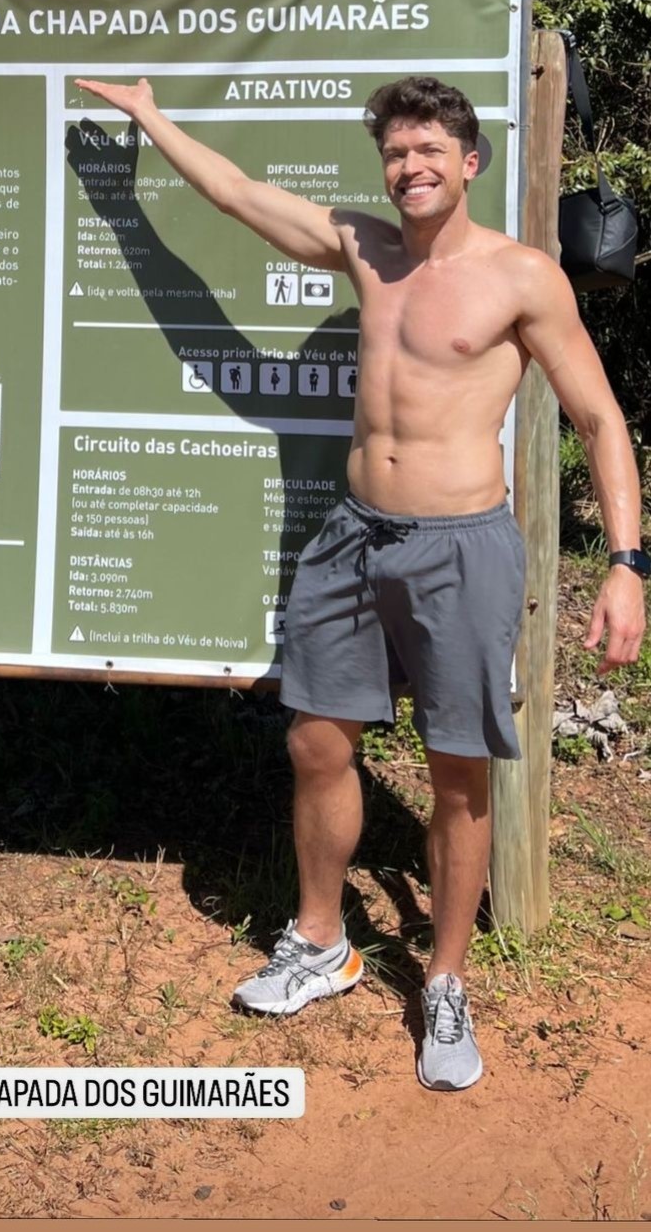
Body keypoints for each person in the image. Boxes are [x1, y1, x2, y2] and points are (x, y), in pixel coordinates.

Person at [74, 71, 647, 1091]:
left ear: (468, 163)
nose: (410, 166)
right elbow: (241, 195)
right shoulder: (362, 246)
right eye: (396, 152)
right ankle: (323, 938)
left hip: (462, 544)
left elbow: (602, 419)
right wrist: (151, 120)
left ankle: (445, 980)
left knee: (458, 766)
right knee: (316, 737)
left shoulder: (521, 278)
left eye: (430, 150)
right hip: (350, 533)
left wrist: (625, 564)